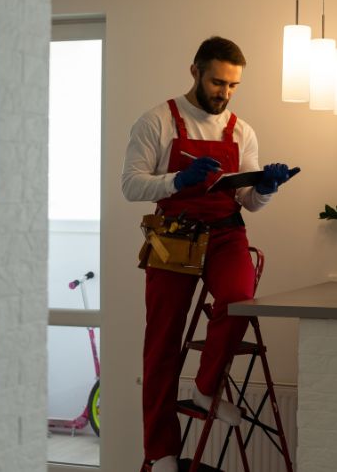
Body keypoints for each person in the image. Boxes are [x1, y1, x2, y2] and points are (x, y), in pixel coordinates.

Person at [121, 36, 296, 472]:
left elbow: (249, 202)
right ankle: (161, 450)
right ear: (195, 70)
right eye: (218, 82)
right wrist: (177, 181)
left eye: (233, 85)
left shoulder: (242, 130)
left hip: (225, 234)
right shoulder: (157, 121)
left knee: (238, 300)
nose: (225, 93)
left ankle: (206, 387)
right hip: (174, 237)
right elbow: (130, 185)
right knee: (161, 343)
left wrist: (266, 189)